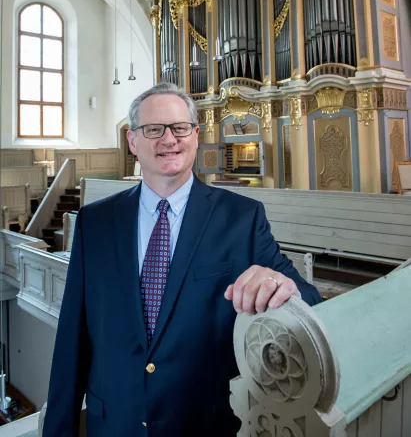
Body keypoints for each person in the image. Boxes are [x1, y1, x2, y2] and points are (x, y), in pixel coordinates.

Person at [43, 82, 321, 437]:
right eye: (154, 129)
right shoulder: (94, 223)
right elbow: (73, 342)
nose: (169, 139)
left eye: (179, 128)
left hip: (206, 424)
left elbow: (309, 299)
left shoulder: (242, 218)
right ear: (133, 141)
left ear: (195, 135)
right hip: (114, 423)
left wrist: (285, 288)